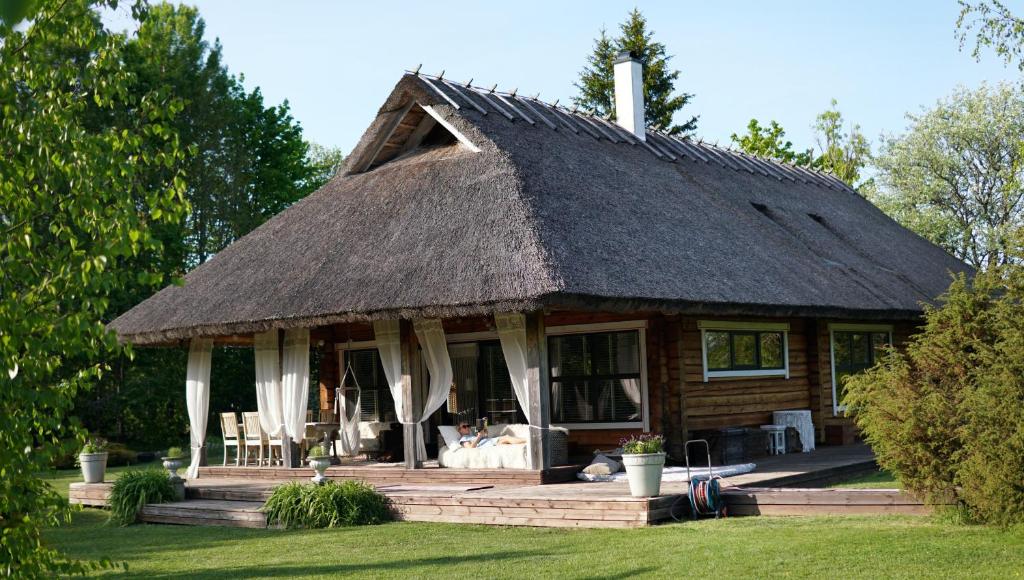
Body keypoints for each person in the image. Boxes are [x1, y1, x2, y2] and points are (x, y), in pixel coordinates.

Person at [456, 422, 526, 448]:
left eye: (468, 426)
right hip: (491, 444)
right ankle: (528, 440)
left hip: (490, 442)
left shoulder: (471, 436)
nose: (467, 427)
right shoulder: (463, 439)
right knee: (506, 437)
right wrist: (479, 436)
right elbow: (471, 447)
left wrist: (484, 433)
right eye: (464, 426)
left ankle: (527, 441)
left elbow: (481, 441)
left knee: (508, 442)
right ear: (459, 430)